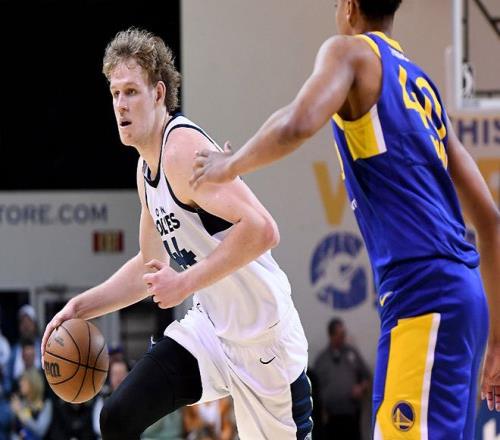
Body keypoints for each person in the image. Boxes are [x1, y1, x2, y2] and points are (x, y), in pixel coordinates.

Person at [190, 1, 500, 438]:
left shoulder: (350, 52)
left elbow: (297, 122)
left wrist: (229, 164)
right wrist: (497, 340)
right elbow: (489, 221)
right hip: (457, 298)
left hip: (425, 294)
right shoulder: (421, 85)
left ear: (350, 7)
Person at [41, 28, 312, 440]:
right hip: (211, 333)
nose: (120, 104)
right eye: (115, 93)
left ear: (158, 93)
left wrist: (185, 283)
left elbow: (263, 230)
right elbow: (147, 269)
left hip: (264, 343)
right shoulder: (145, 171)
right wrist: (80, 307)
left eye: (131, 92)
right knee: (117, 418)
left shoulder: (181, 150)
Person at [313, 318, 370, 439]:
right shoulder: (322, 360)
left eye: (344, 334)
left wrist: (361, 388)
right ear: (331, 335)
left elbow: (366, 376)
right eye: (340, 335)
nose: (343, 337)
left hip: (351, 415)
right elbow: (314, 388)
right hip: (330, 418)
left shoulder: (352, 353)